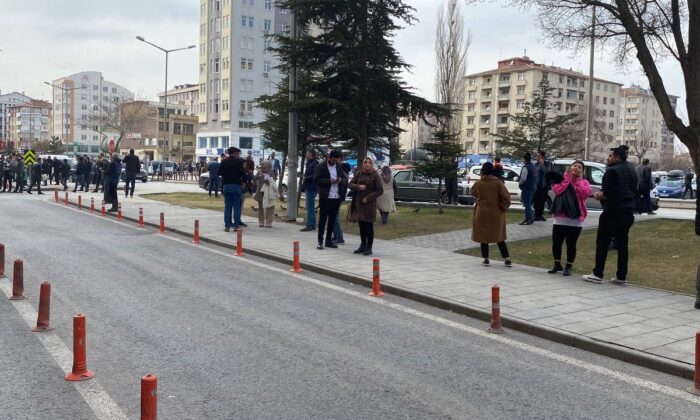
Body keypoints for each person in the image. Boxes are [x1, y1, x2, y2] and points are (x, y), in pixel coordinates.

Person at [584, 145, 638, 285]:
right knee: (622, 245)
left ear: (617, 157)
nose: (608, 158)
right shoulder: (632, 169)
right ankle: (621, 276)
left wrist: (597, 195)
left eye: (610, 156)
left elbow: (607, 193)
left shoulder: (612, 171)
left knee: (602, 242)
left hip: (613, 212)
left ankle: (597, 273)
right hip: (628, 212)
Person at [548, 160, 591, 276]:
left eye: (579, 167)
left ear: (582, 171)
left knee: (571, 244)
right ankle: (557, 264)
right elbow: (557, 190)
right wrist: (568, 179)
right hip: (560, 218)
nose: (576, 168)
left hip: (575, 219)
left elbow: (584, 194)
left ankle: (568, 266)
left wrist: (577, 181)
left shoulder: (585, 182)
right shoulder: (562, 179)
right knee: (556, 243)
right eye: (574, 166)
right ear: (570, 167)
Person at [471, 162, 512, 267]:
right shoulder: (498, 183)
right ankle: (507, 259)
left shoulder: (479, 183)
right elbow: (506, 197)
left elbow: (474, 193)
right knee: (499, 237)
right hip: (496, 214)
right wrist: (503, 207)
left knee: (483, 237)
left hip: (482, 213)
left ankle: (486, 259)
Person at [348, 157, 383, 255]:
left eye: (369, 162)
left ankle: (369, 247)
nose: (367, 164)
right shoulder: (359, 173)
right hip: (359, 204)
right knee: (361, 225)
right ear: (363, 164)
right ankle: (362, 245)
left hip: (369, 205)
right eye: (365, 162)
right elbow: (350, 184)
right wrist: (357, 186)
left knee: (368, 225)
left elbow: (380, 190)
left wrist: (368, 198)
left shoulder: (375, 175)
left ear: (372, 164)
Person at [314, 150, 348, 250]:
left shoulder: (338, 166)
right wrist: (329, 181)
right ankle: (320, 241)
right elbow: (316, 180)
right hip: (325, 197)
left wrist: (341, 180)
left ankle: (328, 241)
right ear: (329, 157)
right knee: (322, 220)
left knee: (332, 220)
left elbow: (345, 179)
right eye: (332, 159)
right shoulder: (321, 166)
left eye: (336, 160)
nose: (334, 161)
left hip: (336, 197)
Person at [219, 147, 246, 231]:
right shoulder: (239, 162)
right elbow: (243, 174)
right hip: (237, 186)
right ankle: (236, 225)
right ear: (235, 153)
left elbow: (219, 173)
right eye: (237, 153)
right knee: (237, 206)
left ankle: (227, 225)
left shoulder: (224, 162)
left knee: (228, 206)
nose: (238, 154)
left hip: (227, 185)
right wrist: (244, 184)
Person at [330, 154, 351, 245]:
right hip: (333, 195)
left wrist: (341, 180)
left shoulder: (343, 168)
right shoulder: (335, 167)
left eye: (337, 158)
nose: (335, 159)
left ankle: (340, 237)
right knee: (332, 216)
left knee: (335, 217)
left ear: (340, 159)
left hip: (339, 195)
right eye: (334, 158)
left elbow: (346, 180)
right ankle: (335, 235)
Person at [254, 160, 278, 227]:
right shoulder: (259, 171)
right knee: (261, 208)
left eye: (263, 164)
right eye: (261, 164)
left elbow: (274, 181)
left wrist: (269, 180)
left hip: (269, 193)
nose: (261, 165)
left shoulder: (271, 172)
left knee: (270, 207)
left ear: (268, 165)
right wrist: (258, 177)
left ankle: (269, 222)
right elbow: (254, 179)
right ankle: (261, 222)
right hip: (260, 192)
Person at [300, 149, 319, 232]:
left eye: (307, 153)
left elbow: (315, 175)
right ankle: (313, 224)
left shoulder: (315, 163)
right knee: (310, 206)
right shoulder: (309, 162)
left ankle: (309, 225)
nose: (306, 155)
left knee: (309, 207)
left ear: (311, 154)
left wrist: (305, 178)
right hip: (308, 186)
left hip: (312, 187)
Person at [518, 152, 537, 225]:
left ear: (525, 159)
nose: (522, 160)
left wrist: (519, 183)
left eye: (523, 159)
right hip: (533, 187)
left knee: (527, 204)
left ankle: (528, 219)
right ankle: (529, 218)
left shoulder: (526, 167)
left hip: (527, 188)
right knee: (529, 204)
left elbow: (523, 178)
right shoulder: (534, 167)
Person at [533, 150, 552, 221]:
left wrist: (542, 165)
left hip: (544, 186)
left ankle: (539, 215)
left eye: (538, 156)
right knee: (536, 201)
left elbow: (547, 172)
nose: (537, 157)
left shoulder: (548, 163)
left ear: (542, 157)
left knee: (542, 201)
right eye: (537, 156)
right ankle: (536, 215)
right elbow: (535, 173)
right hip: (536, 186)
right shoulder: (536, 164)